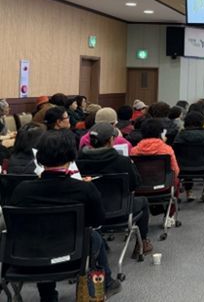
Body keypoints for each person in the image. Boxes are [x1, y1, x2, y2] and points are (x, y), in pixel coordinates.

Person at [10, 130, 121, 301]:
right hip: (74, 257)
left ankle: (48, 295)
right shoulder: (84, 188)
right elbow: (98, 220)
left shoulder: (22, 190)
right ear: (71, 155)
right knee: (93, 236)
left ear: (39, 156)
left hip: (30, 256)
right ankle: (103, 284)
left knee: (40, 237)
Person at [77, 123, 153, 256]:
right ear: (111, 140)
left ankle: (101, 243)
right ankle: (142, 242)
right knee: (143, 201)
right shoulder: (122, 161)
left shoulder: (79, 162)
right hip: (120, 212)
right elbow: (135, 185)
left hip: (91, 214)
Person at [174, 111, 204, 201]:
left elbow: (174, 150)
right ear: (202, 122)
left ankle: (189, 192)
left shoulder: (180, 135)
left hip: (184, 168)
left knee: (186, 161)